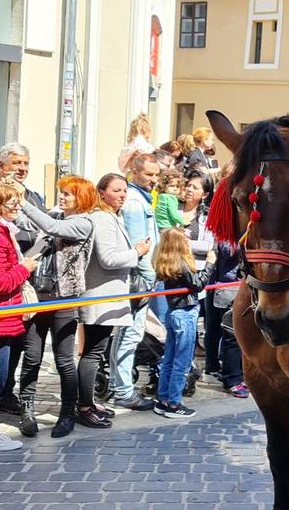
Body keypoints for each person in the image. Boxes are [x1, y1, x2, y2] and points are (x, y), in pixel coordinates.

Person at [18, 175, 97, 438]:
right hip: (39, 297)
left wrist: (23, 202)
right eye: (60, 192)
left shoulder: (84, 223)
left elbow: (51, 227)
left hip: (65, 299)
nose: (61, 197)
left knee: (64, 360)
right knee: (31, 357)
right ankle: (26, 411)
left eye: (67, 194)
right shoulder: (56, 215)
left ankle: (67, 414)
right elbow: (36, 242)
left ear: (81, 198)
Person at [78, 174, 151, 429]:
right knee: (93, 353)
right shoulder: (102, 218)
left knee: (96, 352)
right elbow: (108, 258)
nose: (122, 195)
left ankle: (88, 403)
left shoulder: (113, 216)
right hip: (100, 296)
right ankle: (84, 407)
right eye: (116, 190)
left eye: (124, 190)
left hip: (109, 296)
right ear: (102, 193)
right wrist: (137, 253)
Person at [0, 143, 45, 417]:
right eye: (16, 163)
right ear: (2, 166)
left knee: (16, 343)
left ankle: (6, 392)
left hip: (24, 282)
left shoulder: (34, 196)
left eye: (26, 163)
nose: (22, 169)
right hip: (8, 277)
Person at [110, 154, 159, 411]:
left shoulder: (140, 198)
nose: (154, 179)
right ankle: (123, 390)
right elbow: (139, 246)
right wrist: (149, 278)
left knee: (129, 334)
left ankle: (118, 385)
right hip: (140, 278)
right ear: (135, 172)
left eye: (156, 174)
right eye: (149, 174)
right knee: (129, 335)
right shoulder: (134, 203)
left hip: (143, 276)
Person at [152, 229, 215, 418]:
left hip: (173, 314)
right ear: (179, 244)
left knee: (169, 360)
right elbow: (198, 284)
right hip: (185, 314)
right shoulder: (181, 263)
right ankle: (173, 403)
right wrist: (210, 264)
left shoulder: (165, 262)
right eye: (186, 240)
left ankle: (163, 399)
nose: (189, 243)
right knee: (182, 362)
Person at [0, 183, 38, 451]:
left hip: (6, 320)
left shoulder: (5, 231)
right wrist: (24, 268)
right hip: (0, 320)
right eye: (10, 203)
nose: (16, 207)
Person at [206, 243, 247, 397]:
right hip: (228, 289)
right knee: (232, 336)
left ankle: (240, 375)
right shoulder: (227, 233)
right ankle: (232, 379)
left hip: (242, 287)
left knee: (241, 336)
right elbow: (227, 250)